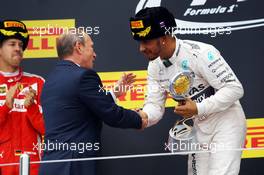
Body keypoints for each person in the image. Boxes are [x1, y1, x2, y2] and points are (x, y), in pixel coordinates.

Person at [129, 7, 246, 175]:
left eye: (146, 41)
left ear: (163, 38)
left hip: (226, 122)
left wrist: (198, 108)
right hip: (199, 126)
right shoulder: (154, 67)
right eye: (140, 42)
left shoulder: (200, 53)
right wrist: (144, 116)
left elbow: (234, 88)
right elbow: (155, 105)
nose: (141, 48)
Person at [39, 30, 148, 175]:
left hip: (51, 165)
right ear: (78, 47)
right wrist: (138, 120)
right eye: (91, 47)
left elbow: (82, 106)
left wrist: (114, 93)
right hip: (73, 167)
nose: (95, 54)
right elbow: (110, 113)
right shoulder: (83, 76)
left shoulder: (51, 79)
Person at [0, 20, 45, 175]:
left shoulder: (37, 82)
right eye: (12, 44)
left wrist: (32, 108)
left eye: (20, 45)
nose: (18, 49)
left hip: (32, 165)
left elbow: (49, 129)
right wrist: (6, 106)